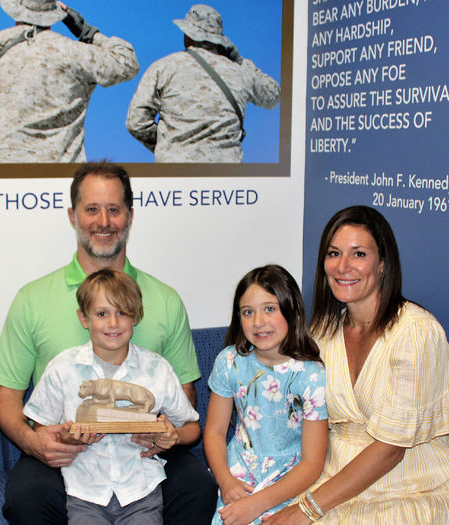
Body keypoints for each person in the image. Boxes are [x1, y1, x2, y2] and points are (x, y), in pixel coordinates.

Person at [0, 160, 216, 524]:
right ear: (72, 215)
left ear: (130, 216)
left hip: (142, 452)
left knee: (199, 489)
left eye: (114, 209)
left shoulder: (166, 299)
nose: (103, 221)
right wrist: (35, 444)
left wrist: (164, 435)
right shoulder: (32, 298)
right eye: (92, 209)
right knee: (26, 499)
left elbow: (184, 395)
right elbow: (7, 395)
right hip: (67, 450)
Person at [263, 206, 449, 523]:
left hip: (404, 490)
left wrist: (307, 510)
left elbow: (390, 449)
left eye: (358, 254)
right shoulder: (323, 332)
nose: (343, 266)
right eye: (334, 253)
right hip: (330, 485)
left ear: (383, 265)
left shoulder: (416, 333)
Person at [24, 268, 201, 525]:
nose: (113, 323)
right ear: (84, 318)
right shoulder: (62, 368)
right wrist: (66, 437)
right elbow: (42, 428)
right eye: (102, 314)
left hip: (142, 491)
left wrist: (173, 436)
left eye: (122, 313)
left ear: (136, 316)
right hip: (84, 492)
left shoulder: (157, 369)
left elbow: (192, 427)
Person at [204, 265, 328, 525]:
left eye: (270, 309)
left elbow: (312, 463)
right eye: (248, 312)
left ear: (291, 310)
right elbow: (214, 432)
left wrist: (257, 504)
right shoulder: (229, 362)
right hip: (241, 475)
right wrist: (225, 480)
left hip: (293, 480)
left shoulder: (312, 376)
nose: (258, 322)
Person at [0, 0, 138, 163]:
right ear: (52, 13)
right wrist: (84, 29)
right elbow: (126, 62)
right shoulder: (73, 52)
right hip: (55, 177)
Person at [125, 4, 280, 163]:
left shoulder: (163, 67)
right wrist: (242, 63)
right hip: (227, 175)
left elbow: (136, 122)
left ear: (187, 35)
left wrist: (170, 146)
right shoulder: (241, 71)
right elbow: (273, 96)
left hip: (175, 172)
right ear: (219, 40)